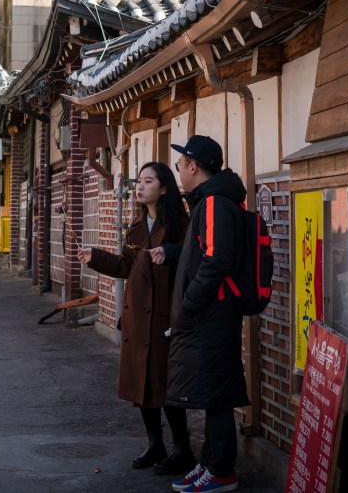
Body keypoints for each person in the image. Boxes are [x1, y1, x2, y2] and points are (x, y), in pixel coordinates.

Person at [79, 162, 194, 475]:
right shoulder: (136, 225)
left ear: (165, 188)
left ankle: (183, 449)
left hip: (164, 318)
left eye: (148, 181)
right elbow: (127, 268)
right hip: (136, 319)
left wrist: (169, 254)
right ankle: (155, 444)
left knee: (164, 385)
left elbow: (192, 264)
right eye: (138, 181)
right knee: (142, 386)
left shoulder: (182, 225)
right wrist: (96, 257)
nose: (140, 187)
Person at [153, 135, 249, 493]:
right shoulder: (212, 201)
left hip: (211, 314)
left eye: (181, 164)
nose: (178, 170)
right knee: (210, 394)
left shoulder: (214, 204)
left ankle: (222, 472)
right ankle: (210, 465)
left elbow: (217, 261)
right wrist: (176, 253)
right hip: (212, 312)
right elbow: (205, 253)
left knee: (216, 396)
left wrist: (189, 305)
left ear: (193, 167)